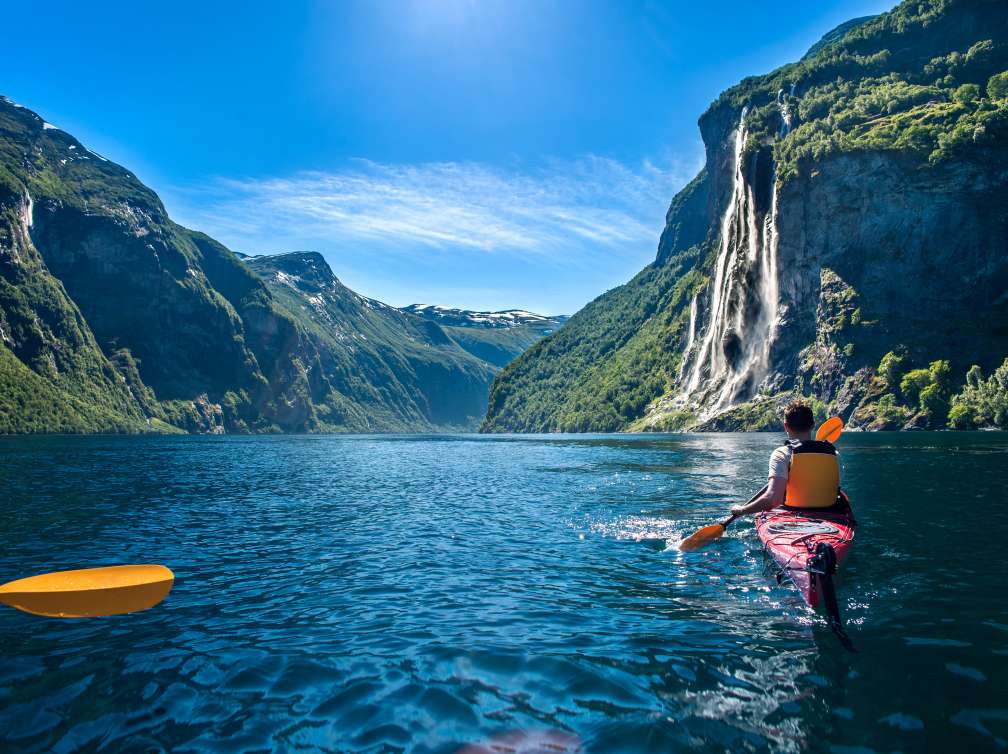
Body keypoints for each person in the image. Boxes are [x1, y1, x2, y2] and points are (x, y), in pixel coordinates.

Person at [729, 400, 844, 517]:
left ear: (786, 426)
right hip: (831, 514)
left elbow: (773, 500)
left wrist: (742, 510)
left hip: (792, 513)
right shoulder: (834, 454)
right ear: (813, 425)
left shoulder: (782, 454)